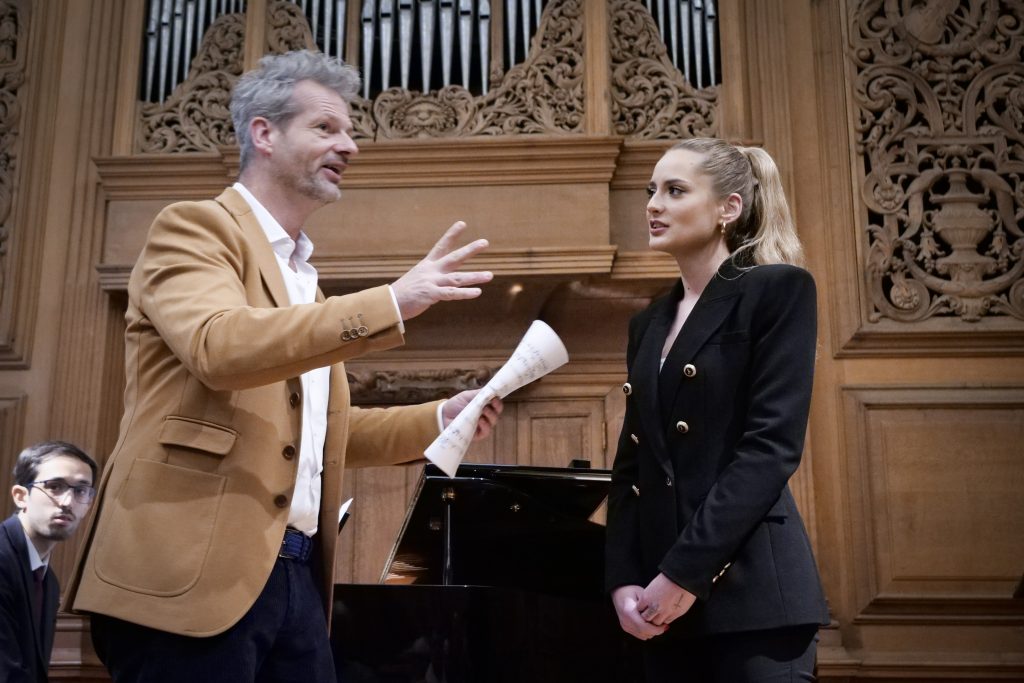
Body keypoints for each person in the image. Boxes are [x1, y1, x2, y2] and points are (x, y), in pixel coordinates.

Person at [65, 50, 502, 682]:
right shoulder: (194, 228)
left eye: (350, 130)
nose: (349, 145)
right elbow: (219, 346)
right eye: (326, 128)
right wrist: (390, 301)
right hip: (189, 578)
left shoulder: (304, 284)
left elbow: (325, 433)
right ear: (264, 133)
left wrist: (441, 417)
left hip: (294, 575)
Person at [605, 137, 829, 680]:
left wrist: (682, 575)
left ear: (729, 208)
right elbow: (631, 467)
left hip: (752, 597)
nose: (653, 205)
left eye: (675, 191)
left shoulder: (777, 289)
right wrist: (623, 579)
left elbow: (770, 449)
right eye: (651, 191)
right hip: (658, 606)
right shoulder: (649, 323)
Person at [1, 441, 98, 682]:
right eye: (54, 487)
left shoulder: (49, 581)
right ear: (21, 496)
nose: (67, 502)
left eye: (80, 491)